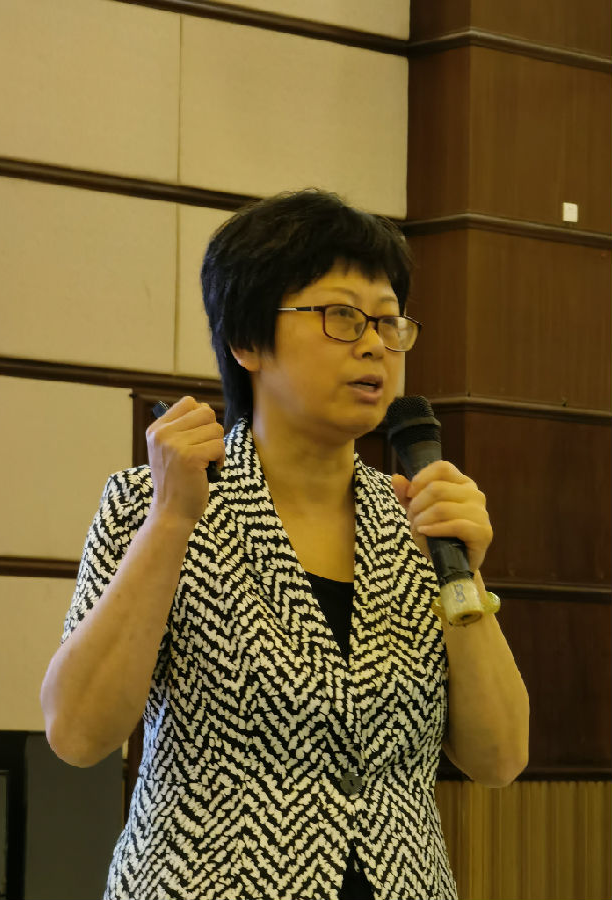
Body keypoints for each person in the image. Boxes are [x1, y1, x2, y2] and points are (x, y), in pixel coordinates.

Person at [40, 189, 529, 900]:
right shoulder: (153, 503)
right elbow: (79, 734)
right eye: (342, 317)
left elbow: (499, 759)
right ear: (246, 341)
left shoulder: (416, 523)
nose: (374, 344)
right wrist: (171, 523)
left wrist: (466, 580)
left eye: (389, 322)